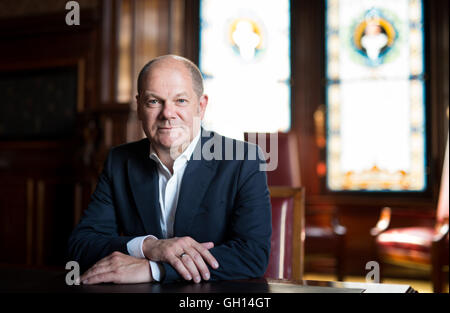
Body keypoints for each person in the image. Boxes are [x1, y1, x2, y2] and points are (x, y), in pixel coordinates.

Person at [67, 55, 272, 284]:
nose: (167, 113)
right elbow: (81, 244)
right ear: (139, 106)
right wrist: (149, 247)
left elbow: (252, 256)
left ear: (201, 106)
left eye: (180, 101)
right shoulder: (119, 161)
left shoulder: (244, 160)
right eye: (154, 101)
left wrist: (155, 269)